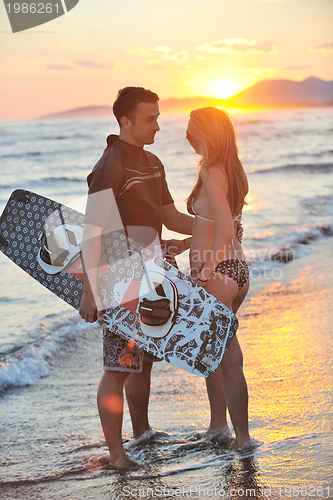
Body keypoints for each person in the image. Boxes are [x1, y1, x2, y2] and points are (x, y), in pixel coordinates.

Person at [79, 87, 193, 469]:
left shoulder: (153, 162)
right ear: (125, 121)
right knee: (118, 365)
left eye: (158, 117)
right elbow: (94, 230)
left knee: (141, 360)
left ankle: (142, 433)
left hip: (155, 274)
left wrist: (216, 228)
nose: (158, 125)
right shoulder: (111, 165)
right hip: (121, 279)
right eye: (150, 118)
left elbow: (171, 216)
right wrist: (90, 292)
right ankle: (116, 454)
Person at [186, 107, 253, 449]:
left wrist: (207, 271)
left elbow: (225, 229)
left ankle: (242, 439)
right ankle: (217, 426)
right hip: (237, 270)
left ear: (208, 134)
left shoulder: (213, 171)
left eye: (191, 130)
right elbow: (218, 225)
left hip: (220, 273)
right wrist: (183, 243)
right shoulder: (231, 168)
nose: (186, 136)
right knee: (215, 350)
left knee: (228, 357)